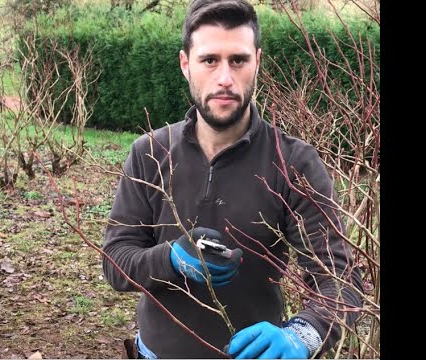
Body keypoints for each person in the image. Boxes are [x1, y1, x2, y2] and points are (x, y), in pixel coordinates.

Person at [102, 0, 363, 358]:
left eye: (237, 60)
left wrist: (304, 334)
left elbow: (341, 280)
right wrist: (171, 260)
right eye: (209, 60)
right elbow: (115, 262)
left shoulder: (294, 163)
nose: (224, 78)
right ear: (185, 65)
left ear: (256, 62)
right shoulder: (149, 152)